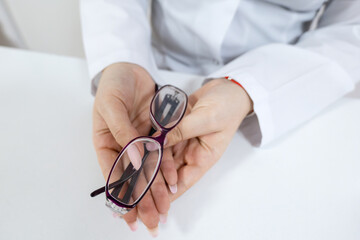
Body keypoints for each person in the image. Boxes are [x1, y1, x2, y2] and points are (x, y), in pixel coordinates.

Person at [80, 0, 360, 237]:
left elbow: (351, 29)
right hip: (155, 74)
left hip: (278, 89)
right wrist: (121, 56)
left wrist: (249, 89)